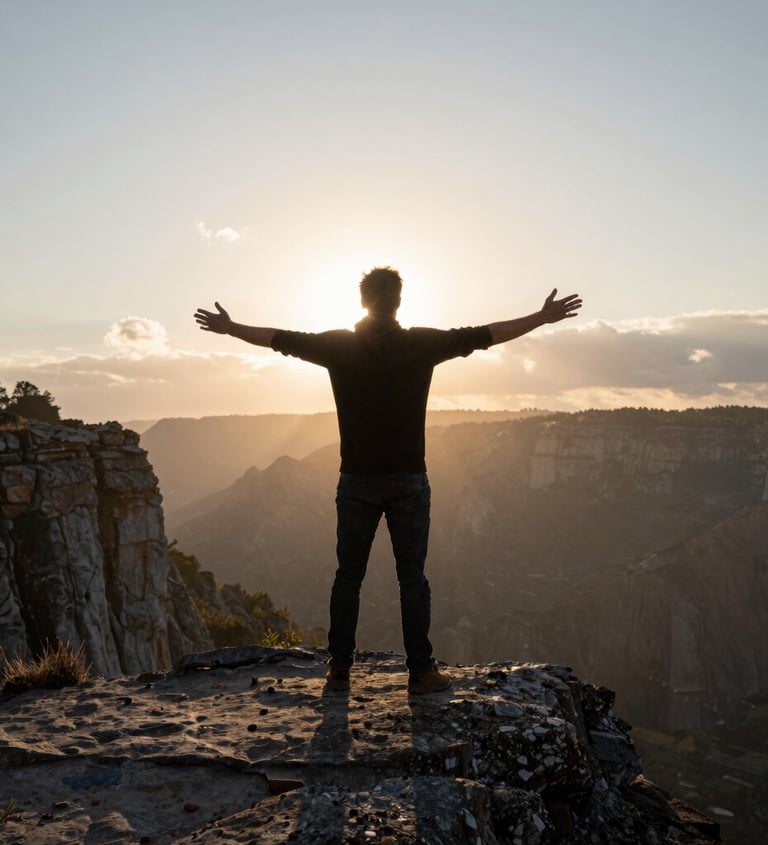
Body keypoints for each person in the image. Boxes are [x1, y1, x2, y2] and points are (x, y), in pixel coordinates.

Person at [195, 267, 581, 694]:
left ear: (362, 302)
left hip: (356, 480)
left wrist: (231, 329)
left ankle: (339, 670)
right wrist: (540, 318)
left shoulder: (338, 345)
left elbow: (278, 338)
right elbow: (486, 334)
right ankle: (421, 672)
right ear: (399, 301)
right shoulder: (420, 343)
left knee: (348, 577)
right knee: (412, 578)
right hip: (409, 481)